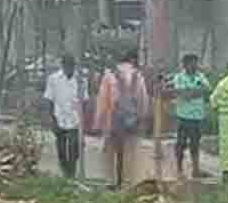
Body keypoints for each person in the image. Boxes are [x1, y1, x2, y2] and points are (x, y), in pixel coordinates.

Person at [96, 50, 149, 189]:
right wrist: (142, 117)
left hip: (113, 118)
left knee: (111, 152)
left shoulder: (109, 75)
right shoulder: (138, 76)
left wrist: (99, 121)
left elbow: (102, 100)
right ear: (133, 60)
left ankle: (111, 181)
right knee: (129, 151)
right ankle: (126, 181)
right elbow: (143, 100)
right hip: (132, 120)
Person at [43, 54, 85, 179]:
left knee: (74, 148)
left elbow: (85, 101)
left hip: (75, 119)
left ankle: (71, 174)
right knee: (61, 149)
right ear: (63, 66)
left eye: (71, 66)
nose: (69, 68)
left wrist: (84, 121)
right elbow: (49, 100)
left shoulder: (81, 80)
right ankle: (65, 172)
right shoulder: (53, 79)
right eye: (67, 66)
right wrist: (52, 119)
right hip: (59, 117)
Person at [170, 53, 210, 180]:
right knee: (181, 144)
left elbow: (207, 90)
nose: (195, 66)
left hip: (197, 116)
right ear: (185, 65)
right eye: (192, 63)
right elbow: (182, 94)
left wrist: (191, 92)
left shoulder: (200, 76)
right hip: (183, 116)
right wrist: (196, 92)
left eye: (196, 63)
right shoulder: (179, 77)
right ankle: (179, 170)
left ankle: (195, 169)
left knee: (195, 144)